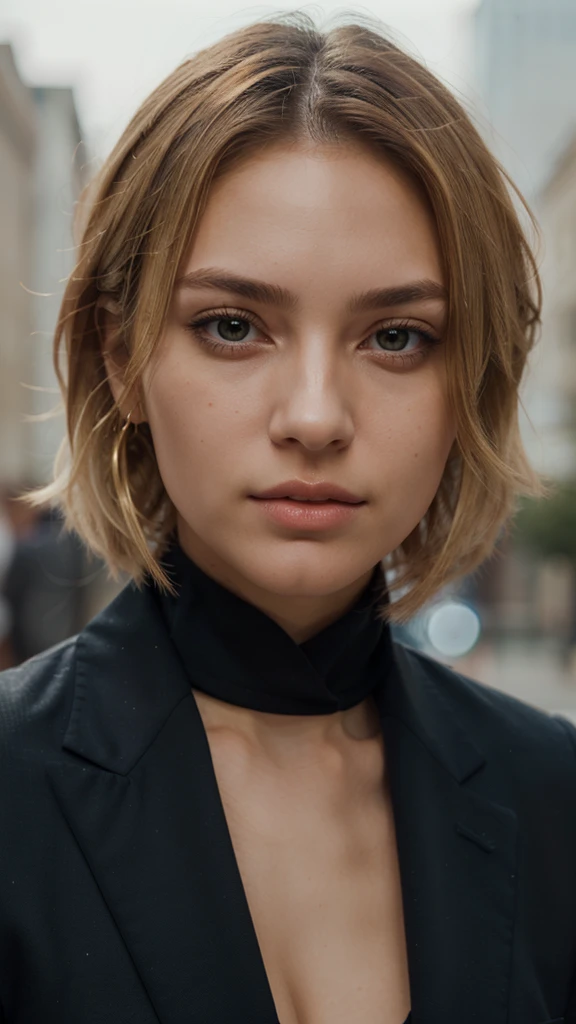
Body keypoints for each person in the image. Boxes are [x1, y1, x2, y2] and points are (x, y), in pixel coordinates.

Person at [0, 12, 574, 1024]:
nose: (315, 416)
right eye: (232, 326)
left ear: (469, 377)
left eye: (396, 336)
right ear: (123, 355)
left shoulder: (553, 796)